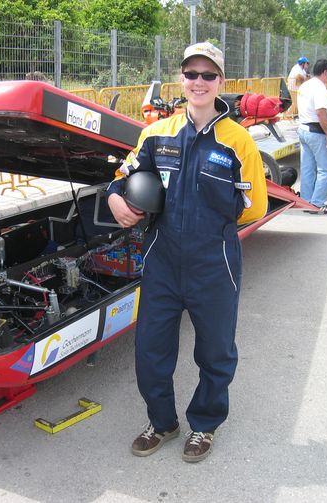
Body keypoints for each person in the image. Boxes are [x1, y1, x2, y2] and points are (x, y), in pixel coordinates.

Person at [106, 41, 267, 463]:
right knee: (150, 351)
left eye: (207, 75)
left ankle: (205, 424)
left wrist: (212, 226)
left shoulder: (238, 142)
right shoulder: (156, 134)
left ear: (221, 82)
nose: (198, 82)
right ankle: (162, 422)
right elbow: (124, 175)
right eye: (191, 74)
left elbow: (257, 206)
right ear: (182, 79)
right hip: (161, 261)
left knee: (215, 351)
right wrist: (114, 198)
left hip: (214, 265)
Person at [296, 59, 327, 214]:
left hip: (304, 129)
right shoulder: (320, 88)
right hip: (316, 131)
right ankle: (318, 203)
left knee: (307, 168)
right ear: (325, 72)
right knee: (325, 169)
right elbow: (320, 112)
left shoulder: (306, 85)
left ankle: (306, 201)